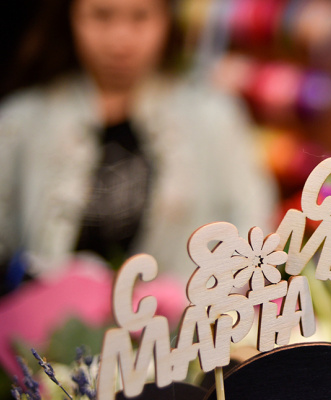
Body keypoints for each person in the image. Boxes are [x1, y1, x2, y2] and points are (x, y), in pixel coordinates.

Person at [0, 0, 277, 287]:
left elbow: (254, 231)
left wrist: (198, 298)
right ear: (70, 17)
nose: (121, 38)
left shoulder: (213, 118)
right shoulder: (21, 121)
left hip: (179, 314)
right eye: (101, 16)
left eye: (140, 17)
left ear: (167, 19)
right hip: (49, 315)